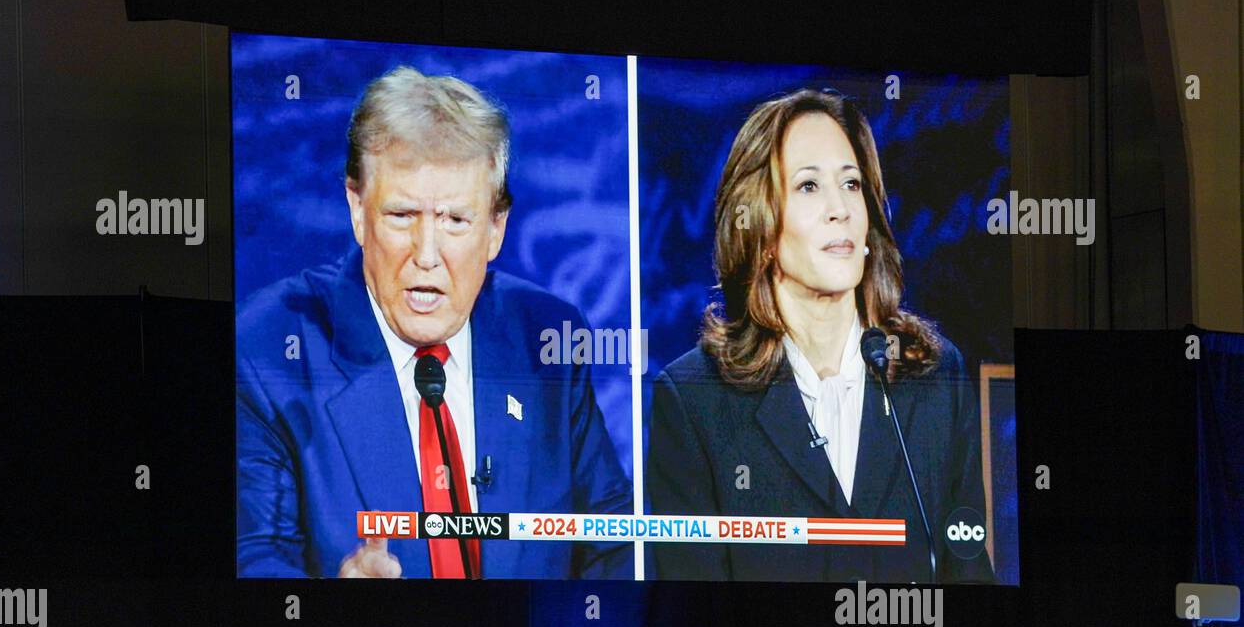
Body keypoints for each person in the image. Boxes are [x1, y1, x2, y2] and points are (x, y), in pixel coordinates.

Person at [237, 66, 631, 579]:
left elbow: (611, 539)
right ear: (358, 209)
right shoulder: (270, 349)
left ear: (495, 229)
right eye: (402, 216)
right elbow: (256, 557)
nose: (427, 255)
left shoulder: (546, 337)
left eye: (455, 220)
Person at [648, 87, 995, 583]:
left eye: (851, 185)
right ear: (760, 230)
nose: (841, 209)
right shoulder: (694, 401)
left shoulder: (936, 377)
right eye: (809, 187)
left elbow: (969, 574)